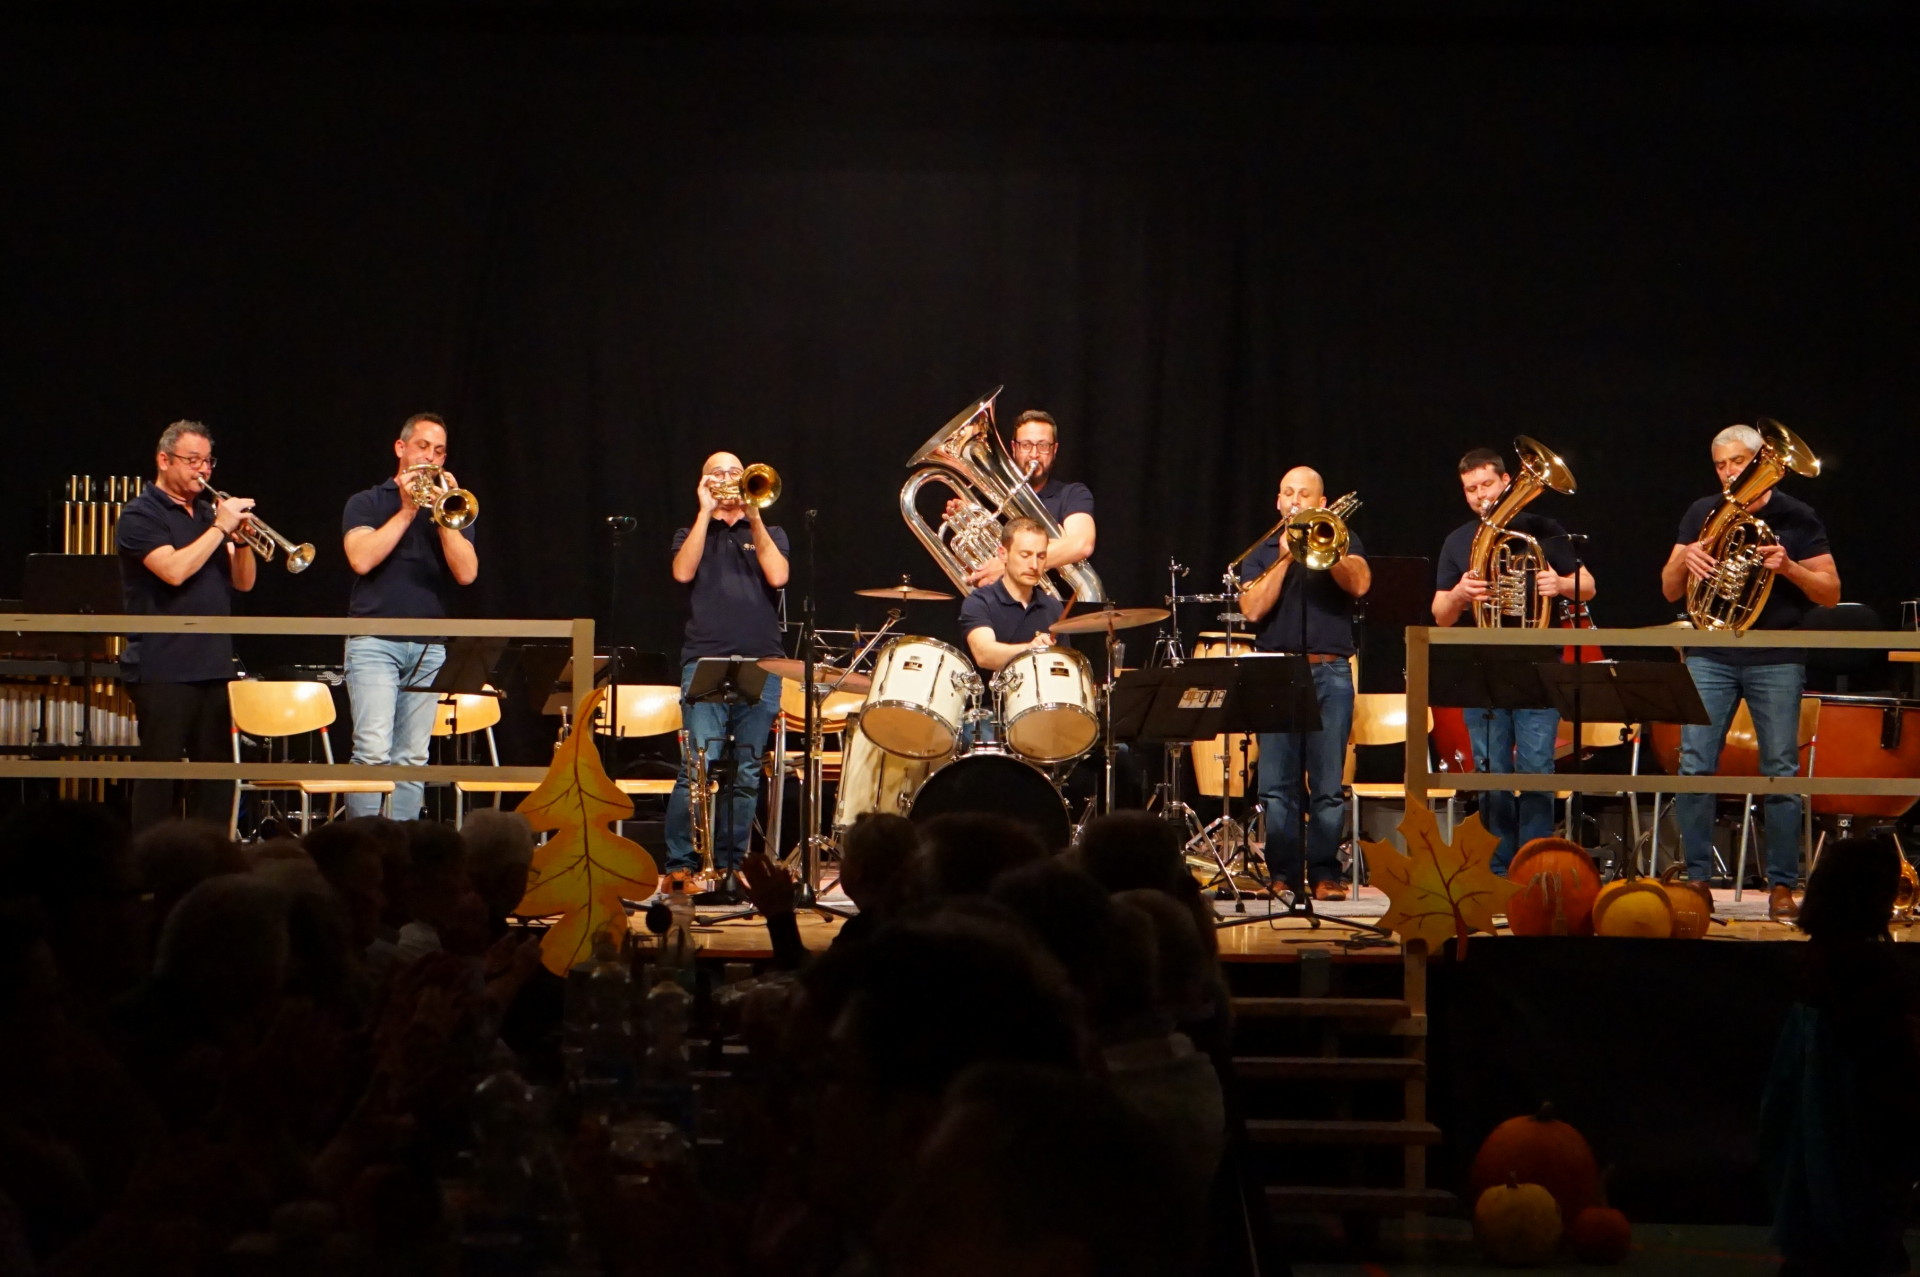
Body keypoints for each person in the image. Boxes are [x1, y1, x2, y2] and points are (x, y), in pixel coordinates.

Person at [1660, 424, 1839, 919]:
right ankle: (1697, 878)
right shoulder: (1702, 513)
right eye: (1721, 465)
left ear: (1761, 461)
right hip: (1710, 653)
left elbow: (1830, 592)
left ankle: (1782, 884)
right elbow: (1670, 589)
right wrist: (1688, 558)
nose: (1729, 473)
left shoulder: (1797, 517)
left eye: (1738, 462)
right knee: (1695, 765)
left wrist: (1789, 569)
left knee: (1780, 768)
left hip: (1776, 656)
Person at [1432, 446, 1596, 873]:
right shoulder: (1457, 540)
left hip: (1540, 665)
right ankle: (1499, 867)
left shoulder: (1543, 529)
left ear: (1506, 482)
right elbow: (1440, 615)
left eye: (1487, 484)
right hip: (1482, 669)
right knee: (1490, 770)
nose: (1480, 495)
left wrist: (1559, 584)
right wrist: (1459, 595)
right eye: (1471, 489)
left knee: (1537, 767)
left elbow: (1589, 587)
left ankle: (1535, 864)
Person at [115, 421, 258, 831]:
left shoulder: (211, 514)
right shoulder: (140, 515)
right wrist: (220, 528)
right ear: (163, 460)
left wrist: (243, 539)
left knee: (217, 779)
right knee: (159, 779)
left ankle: (210, 861)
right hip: (163, 665)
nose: (202, 470)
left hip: (213, 662)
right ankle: (149, 866)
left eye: (207, 462)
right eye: (192, 460)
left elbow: (243, 582)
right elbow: (174, 571)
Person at [1237, 466, 1370, 900]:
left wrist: (1327, 551)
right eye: (1288, 493)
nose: (1295, 501)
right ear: (1278, 501)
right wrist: (1283, 556)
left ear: (1321, 502)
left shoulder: (1340, 537)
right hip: (1277, 672)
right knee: (1277, 786)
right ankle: (1284, 874)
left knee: (1328, 786)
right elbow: (1252, 610)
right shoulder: (1262, 551)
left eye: (1304, 494)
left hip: (1330, 671)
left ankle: (1326, 873)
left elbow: (1362, 584)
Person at [340, 412, 479, 822]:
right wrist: (405, 509)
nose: (431, 458)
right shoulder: (367, 502)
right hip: (374, 641)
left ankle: (403, 850)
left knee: (413, 756)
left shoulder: (450, 508)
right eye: (423, 447)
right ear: (401, 449)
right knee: (372, 750)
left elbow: (467, 574)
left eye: (439, 452)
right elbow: (361, 559)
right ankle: (362, 847)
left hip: (428, 647)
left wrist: (440, 516)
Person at [666, 451, 790, 876]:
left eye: (734, 473)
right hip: (704, 659)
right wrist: (705, 513)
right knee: (696, 767)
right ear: (703, 483)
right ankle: (682, 863)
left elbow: (779, 577)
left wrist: (754, 515)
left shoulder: (770, 531)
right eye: (716, 473)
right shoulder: (691, 531)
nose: (727, 479)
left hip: (764, 663)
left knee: (747, 770)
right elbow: (682, 573)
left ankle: (732, 865)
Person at [962, 409, 1096, 589]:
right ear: (1014, 448)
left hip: (1055, 610)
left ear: (1054, 449)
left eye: (1043, 446)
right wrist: (968, 530)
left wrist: (1008, 565)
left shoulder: (1072, 494)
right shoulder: (987, 499)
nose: (1034, 454)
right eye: (1026, 445)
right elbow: (974, 569)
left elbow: (1081, 545)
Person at [960, 517, 1063, 673]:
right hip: (993, 697)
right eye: (1025, 555)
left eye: (1041, 556)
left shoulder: (1053, 606)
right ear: (1003, 554)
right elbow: (984, 655)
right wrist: (1030, 650)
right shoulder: (979, 602)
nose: (1034, 565)